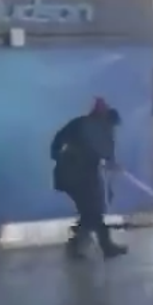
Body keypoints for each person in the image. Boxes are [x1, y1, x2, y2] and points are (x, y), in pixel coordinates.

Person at [51, 99, 126, 259]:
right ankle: (99, 247)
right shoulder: (97, 129)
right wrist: (112, 164)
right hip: (77, 175)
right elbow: (105, 153)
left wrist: (57, 155)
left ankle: (81, 246)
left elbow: (58, 140)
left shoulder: (82, 124)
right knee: (92, 211)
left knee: (90, 212)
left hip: (70, 173)